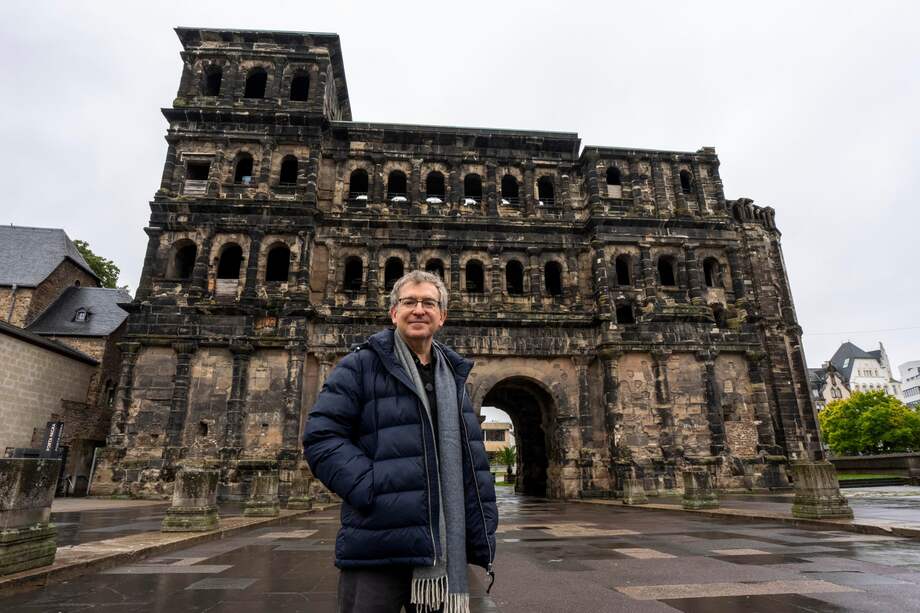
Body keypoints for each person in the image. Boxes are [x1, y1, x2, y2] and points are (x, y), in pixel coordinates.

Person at [303, 270, 497, 613]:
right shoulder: (360, 366)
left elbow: (470, 459)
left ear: (442, 316)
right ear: (394, 313)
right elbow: (322, 436)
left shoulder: (453, 377)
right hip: (377, 541)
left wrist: (482, 519)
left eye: (428, 303)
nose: (418, 309)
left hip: (442, 547)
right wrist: (371, 486)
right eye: (409, 302)